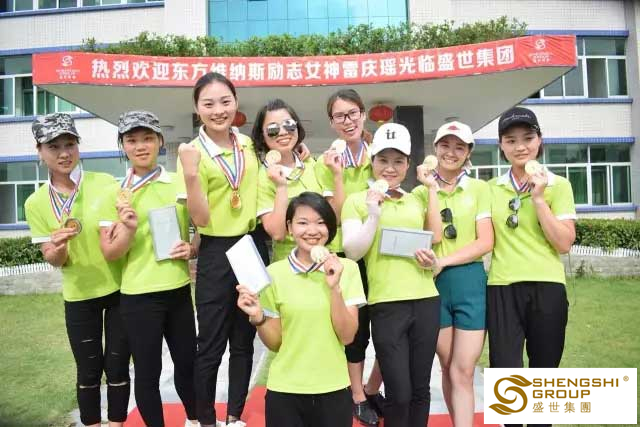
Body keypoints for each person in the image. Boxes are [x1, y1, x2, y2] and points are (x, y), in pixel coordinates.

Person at [24, 113, 130, 427]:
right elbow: (55, 260)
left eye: (70, 144)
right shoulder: (35, 203)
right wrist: (57, 246)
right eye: (53, 146)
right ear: (40, 151)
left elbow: (124, 233)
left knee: (118, 366)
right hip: (79, 295)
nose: (64, 153)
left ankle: (117, 424)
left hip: (118, 289)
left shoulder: (106, 183)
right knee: (88, 370)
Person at [177, 72, 269, 427]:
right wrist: (190, 174)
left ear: (236, 102)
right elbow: (200, 217)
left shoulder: (247, 145)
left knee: (244, 340)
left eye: (225, 101)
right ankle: (206, 420)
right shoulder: (191, 152)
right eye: (209, 103)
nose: (218, 110)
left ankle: (234, 416)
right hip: (215, 250)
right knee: (211, 343)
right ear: (197, 108)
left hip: (251, 245)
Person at [99, 111, 198, 427]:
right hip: (138, 296)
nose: (140, 146)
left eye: (147, 138)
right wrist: (127, 228)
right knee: (147, 371)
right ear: (123, 146)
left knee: (188, 365)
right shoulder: (115, 193)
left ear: (160, 141)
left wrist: (192, 249)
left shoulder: (178, 182)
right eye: (131, 140)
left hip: (178, 290)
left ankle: (195, 420)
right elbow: (110, 253)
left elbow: (203, 227)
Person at [236, 192, 366, 427]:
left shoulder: (347, 269)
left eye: (320, 222)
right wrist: (259, 317)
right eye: (303, 223)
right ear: (289, 227)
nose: (312, 231)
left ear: (330, 227)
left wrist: (335, 288)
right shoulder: (273, 274)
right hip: (285, 390)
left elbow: (347, 337)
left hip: (333, 388)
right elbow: (275, 343)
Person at [341, 123, 442, 427]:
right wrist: (373, 212)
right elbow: (352, 251)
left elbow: (434, 238)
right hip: (386, 304)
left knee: (420, 389)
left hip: (426, 299)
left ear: (408, 164)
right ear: (372, 161)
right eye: (383, 160)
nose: (390, 168)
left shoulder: (416, 199)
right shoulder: (357, 201)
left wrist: (430, 261)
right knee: (399, 392)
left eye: (398, 161)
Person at [487, 107, 576, 427]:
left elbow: (564, 243)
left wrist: (539, 199)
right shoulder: (491, 188)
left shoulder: (558, 185)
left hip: (547, 287)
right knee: (505, 375)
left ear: (539, 140)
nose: (520, 146)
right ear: (501, 146)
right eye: (511, 140)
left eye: (527, 138)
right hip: (502, 287)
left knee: (544, 374)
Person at [415, 121, 494, 427]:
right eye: (445, 145)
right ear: (435, 148)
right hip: (432, 287)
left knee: (463, 370)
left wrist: (444, 262)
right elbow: (426, 237)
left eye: (459, 147)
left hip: (470, 283)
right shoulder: (420, 192)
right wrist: (430, 189)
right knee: (448, 366)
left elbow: (485, 241)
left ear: (468, 152)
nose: (451, 152)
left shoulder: (479, 189)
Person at [314, 88, 382, 426]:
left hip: (380, 253)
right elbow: (335, 216)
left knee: (386, 326)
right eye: (339, 116)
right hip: (344, 255)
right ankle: (356, 395)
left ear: (363, 114)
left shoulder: (380, 156)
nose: (348, 121)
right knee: (354, 330)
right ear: (331, 122)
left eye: (353, 113)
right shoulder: (324, 163)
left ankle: (372, 388)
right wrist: (338, 174)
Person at [253, 98, 343, 261]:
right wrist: (281, 187)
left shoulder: (312, 164)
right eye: (273, 129)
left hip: (324, 258)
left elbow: (334, 219)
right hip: (288, 263)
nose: (282, 132)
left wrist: (337, 176)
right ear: (262, 135)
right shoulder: (262, 176)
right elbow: (278, 233)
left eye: (289, 125)